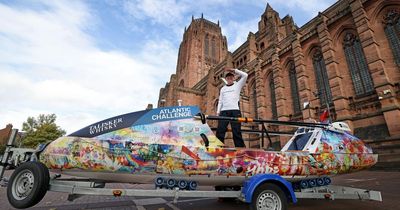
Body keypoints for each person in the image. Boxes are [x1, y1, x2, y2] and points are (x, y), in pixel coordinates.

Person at [216, 67, 248, 147]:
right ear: (226, 79)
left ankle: (240, 148)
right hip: (224, 111)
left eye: (231, 77)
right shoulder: (223, 89)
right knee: (220, 130)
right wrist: (218, 112)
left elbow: (245, 75)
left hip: (235, 111)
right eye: (228, 78)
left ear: (233, 78)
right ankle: (218, 148)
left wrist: (233, 70)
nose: (229, 79)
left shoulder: (238, 85)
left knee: (236, 131)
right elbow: (220, 101)